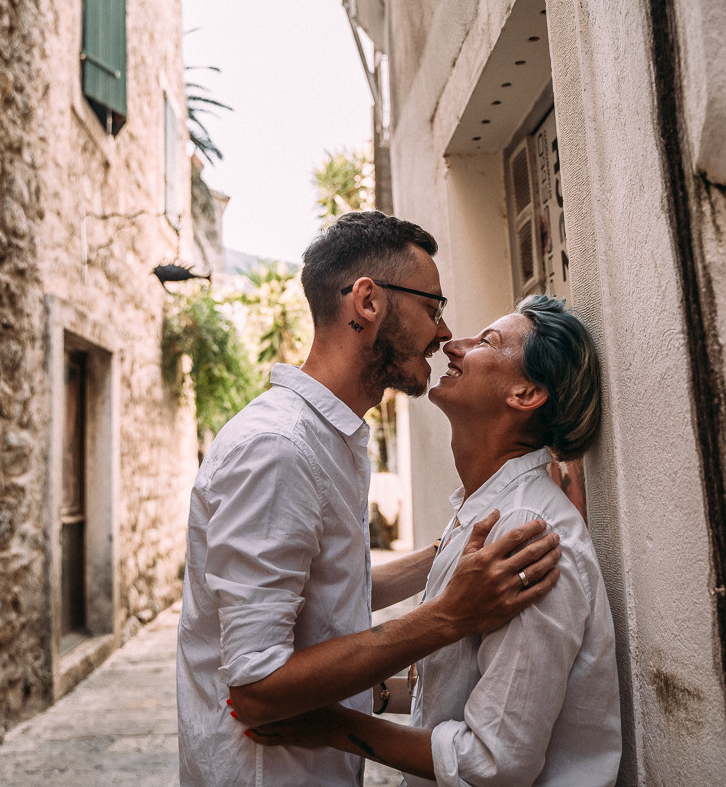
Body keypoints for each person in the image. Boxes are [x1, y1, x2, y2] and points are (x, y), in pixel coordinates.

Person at [176, 212, 564, 787]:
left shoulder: (329, 437)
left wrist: (464, 550)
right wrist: (449, 615)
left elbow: (331, 588)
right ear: (368, 302)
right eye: (433, 307)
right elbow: (257, 692)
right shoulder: (278, 449)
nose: (442, 332)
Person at [242, 295, 622, 787]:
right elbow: (470, 677)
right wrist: (382, 696)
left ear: (526, 394)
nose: (454, 346)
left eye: (487, 342)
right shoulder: (487, 514)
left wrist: (335, 726)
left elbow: (493, 762)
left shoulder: (525, 535)